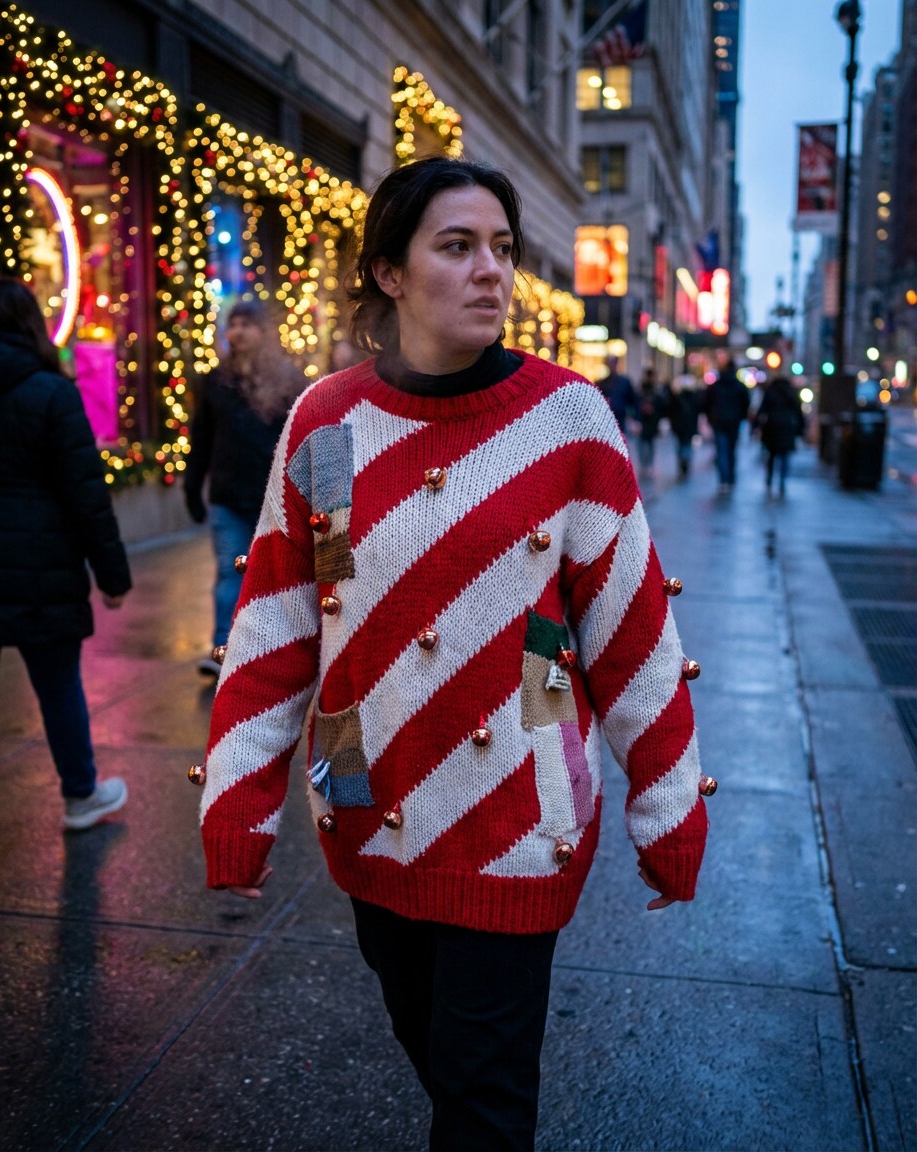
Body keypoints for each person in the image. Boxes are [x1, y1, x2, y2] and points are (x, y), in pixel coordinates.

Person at [195, 156, 709, 1151]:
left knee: (480, 1099)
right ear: (390, 271)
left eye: (504, 249)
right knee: (433, 1052)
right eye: (458, 246)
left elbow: (629, 628)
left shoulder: (568, 421)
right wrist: (238, 804)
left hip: (519, 808)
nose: (492, 272)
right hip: (363, 797)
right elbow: (283, 617)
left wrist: (666, 810)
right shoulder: (328, 422)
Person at [0, 278, 132, 864]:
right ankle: (80, 795)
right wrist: (113, 574)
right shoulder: (50, 391)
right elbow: (84, 493)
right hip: (40, 566)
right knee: (58, 688)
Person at [184, 299, 304, 675]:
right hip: (227, 495)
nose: (236, 331)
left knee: (276, 577)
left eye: (245, 324)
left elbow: (300, 439)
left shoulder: (289, 379)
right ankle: (222, 650)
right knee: (229, 572)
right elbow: (201, 438)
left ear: (263, 330)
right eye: (232, 324)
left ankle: (272, 650)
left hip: (274, 497)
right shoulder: (216, 382)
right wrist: (192, 486)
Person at [754, 374, 805, 497]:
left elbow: (762, 409)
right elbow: (799, 412)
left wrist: (756, 425)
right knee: (785, 455)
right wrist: (800, 429)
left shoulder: (770, 392)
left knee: (771, 454)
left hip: (772, 426)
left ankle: (770, 478)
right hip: (788, 427)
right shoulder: (792, 393)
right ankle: (782, 480)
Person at [704, 358, 750, 492]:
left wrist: (710, 418)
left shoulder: (716, 385)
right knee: (731, 450)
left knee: (722, 450)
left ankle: (723, 480)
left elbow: (707, 402)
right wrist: (741, 417)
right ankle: (730, 478)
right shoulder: (740, 386)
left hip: (718, 421)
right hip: (734, 422)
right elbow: (746, 404)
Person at [668, 369, 702, 478]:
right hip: (689, 426)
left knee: (680, 445)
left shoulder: (678, 397)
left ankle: (683, 462)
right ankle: (686, 461)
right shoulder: (694, 398)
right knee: (687, 444)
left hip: (679, 426)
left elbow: (671, 411)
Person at [598, 353, 638, 433]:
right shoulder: (603, 383)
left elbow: (634, 400)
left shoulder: (624, 382)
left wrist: (635, 418)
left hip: (620, 419)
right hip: (607, 421)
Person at [635, 365, 664, 473]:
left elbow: (660, 405)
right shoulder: (642, 389)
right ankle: (644, 464)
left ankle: (648, 464)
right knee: (642, 443)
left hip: (651, 421)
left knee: (649, 443)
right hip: (644, 420)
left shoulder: (655, 390)